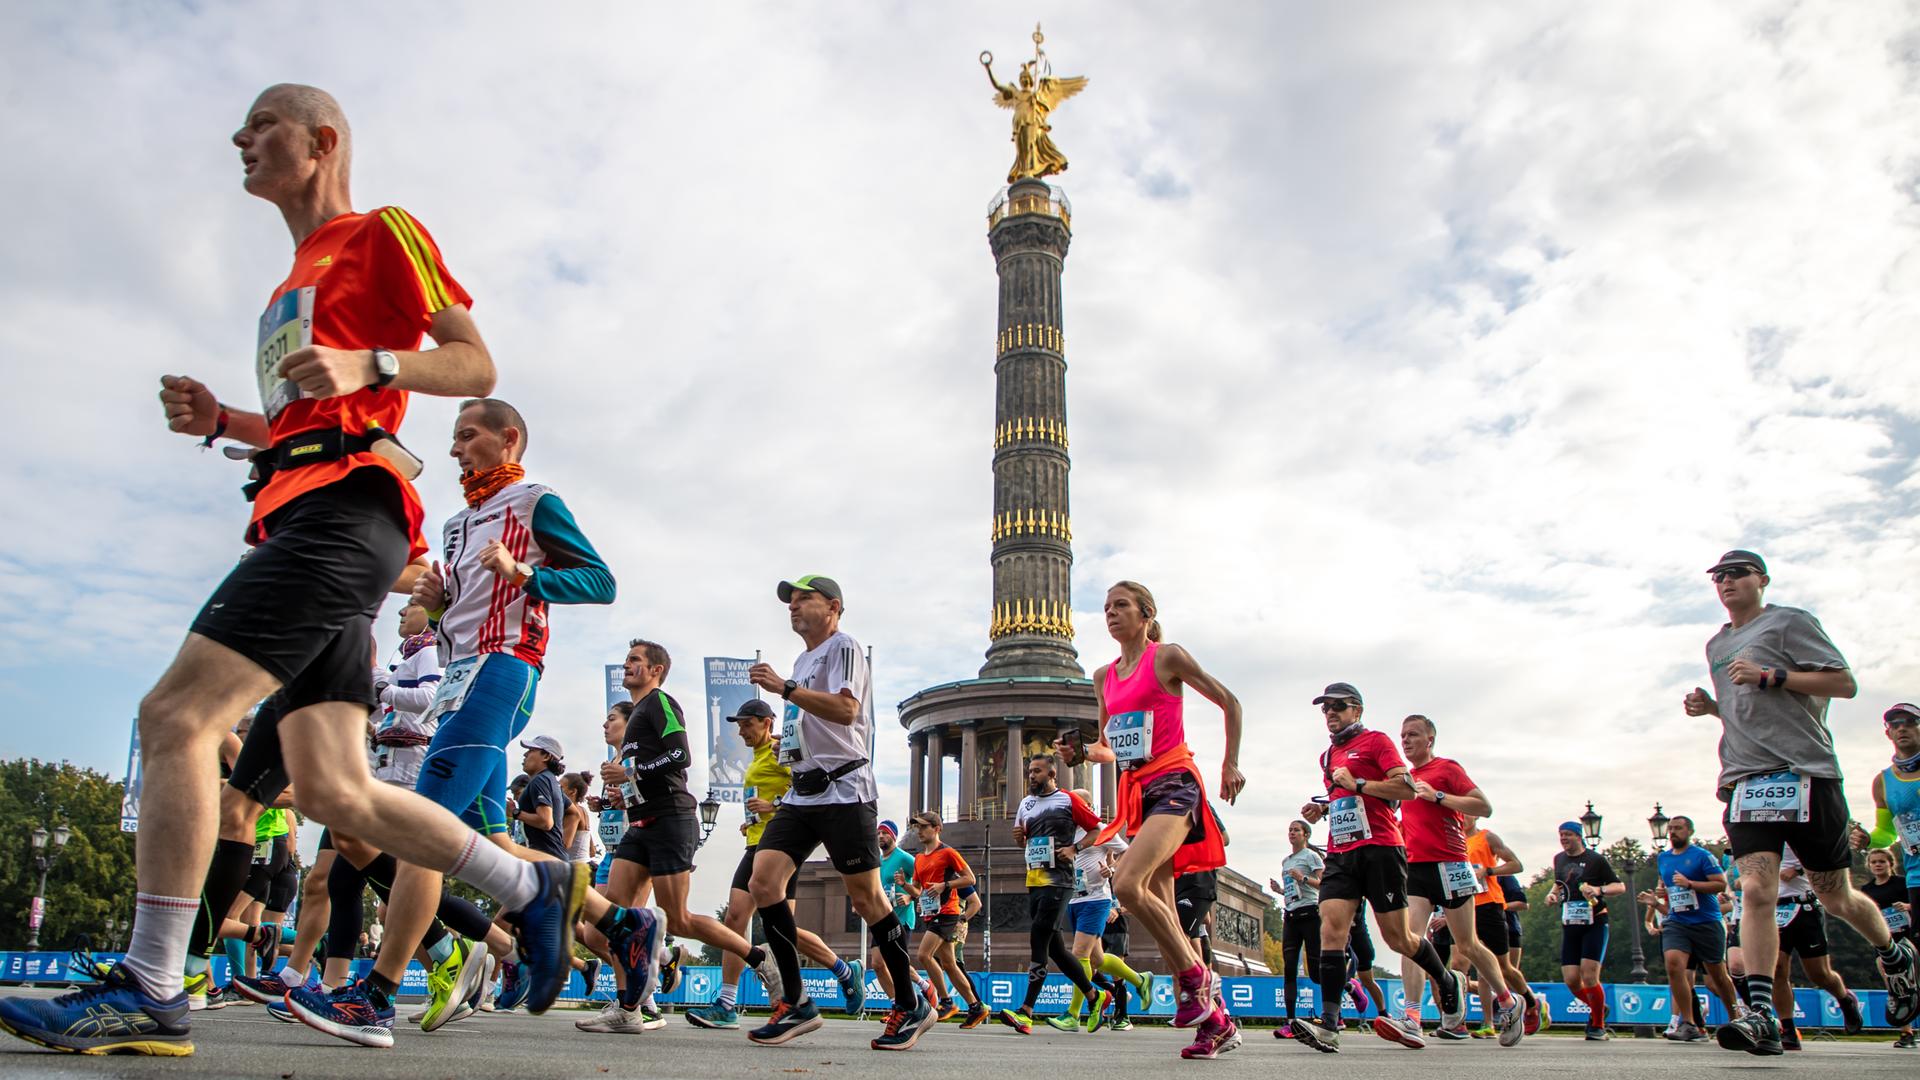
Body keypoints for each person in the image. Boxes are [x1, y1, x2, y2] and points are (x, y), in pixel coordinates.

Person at [0, 85, 610, 1056]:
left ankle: (155, 985)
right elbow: (307, 420)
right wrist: (226, 423)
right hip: (298, 516)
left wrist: (372, 362)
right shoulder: (288, 285)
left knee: (174, 717)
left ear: (322, 141)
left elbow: (472, 363)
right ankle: (527, 885)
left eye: (263, 125)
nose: (241, 140)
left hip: (344, 521)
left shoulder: (382, 234)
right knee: (332, 792)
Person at [288, 397, 615, 1047]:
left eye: (468, 435)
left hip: (506, 670)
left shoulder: (535, 500)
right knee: (492, 844)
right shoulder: (457, 526)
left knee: (419, 831)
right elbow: (451, 637)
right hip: (462, 683)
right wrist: (437, 613)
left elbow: (598, 580)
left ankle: (377, 996)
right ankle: (623, 930)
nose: (455, 449)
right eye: (453, 438)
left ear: (508, 439)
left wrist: (524, 572)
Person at [1683, 550, 1918, 1052]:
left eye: (1737, 573)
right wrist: (1713, 709)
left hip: (1806, 774)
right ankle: (1764, 1014)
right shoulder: (1717, 644)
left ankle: (1895, 955)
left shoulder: (1790, 622)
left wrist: (1773, 675)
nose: (1725, 582)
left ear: (1761, 580)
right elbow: (1748, 713)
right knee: (1755, 889)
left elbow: (1844, 684)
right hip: (1745, 779)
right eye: (1718, 576)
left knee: (1835, 896)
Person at [743, 576, 931, 1050]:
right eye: (789, 601)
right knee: (763, 883)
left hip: (845, 789)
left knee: (868, 901)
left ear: (833, 607)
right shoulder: (803, 659)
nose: (793, 606)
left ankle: (911, 1004)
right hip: (803, 793)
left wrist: (784, 688)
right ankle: (797, 1001)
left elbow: (846, 711)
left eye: (803, 598)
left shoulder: (843, 647)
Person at [1068, 581, 1245, 1060]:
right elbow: (1110, 745)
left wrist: (1230, 764)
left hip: (1175, 784)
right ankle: (1217, 1025)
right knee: (1167, 915)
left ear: (1146, 614)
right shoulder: (1103, 675)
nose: (1111, 613)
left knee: (1126, 884)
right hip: (1137, 795)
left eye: (1121, 605)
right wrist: (1084, 751)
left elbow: (1229, 700)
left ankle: (1197, 977)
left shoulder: (1166, 657)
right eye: (1105, 607)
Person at [575, 641, 782, 1035]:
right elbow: (646, 770)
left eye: (635, 660)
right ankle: (627, 1008)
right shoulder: (636, 717)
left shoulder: (660, 703)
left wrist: (632, 775)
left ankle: (757, 958)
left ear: (655, 669)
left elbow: (679, 757)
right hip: (640, 823)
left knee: (680, 919)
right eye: (626, 660)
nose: (627, 665)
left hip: (672, 817)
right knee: (616, 918)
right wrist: (624, 791)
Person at [1288, 683, 1461, 1054]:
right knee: (1331, 929)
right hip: (1341, 852)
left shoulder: (1378, 742)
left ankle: (1447, 981)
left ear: (1358, 710)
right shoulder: (1327, 757)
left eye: (1339, 706)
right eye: (1325, 709)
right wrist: (1323, 809)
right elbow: (1343, 798)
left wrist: (1360, 783)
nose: (1330, 713)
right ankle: (1330, 1026)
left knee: (1399, 938)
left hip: (1381, 848)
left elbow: (1407, 789)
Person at [684, 698, 866, 1030]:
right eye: (738, 725)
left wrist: (772, 806)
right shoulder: (756, 758)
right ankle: (729, 1002)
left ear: (767, 722)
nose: (741, 731)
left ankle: (839, 970)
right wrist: (753, 818)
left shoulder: (782, 753)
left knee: (762, 925)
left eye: (747, 724)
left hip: (782, 848)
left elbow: (809, 787)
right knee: (752, 922)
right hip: (757, 843)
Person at [1392, 714, 1523, 1046]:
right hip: (1418, 867)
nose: (1406, 740)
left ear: (1430, 739)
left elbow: (1484, 806)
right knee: (1411, 940)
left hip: (1452, 864)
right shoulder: (1405, 779)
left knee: (1468, 945)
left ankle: (1509, 1003)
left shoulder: (1447, 769)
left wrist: (1438, 796)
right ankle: (1412, 1017)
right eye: (1403, 735)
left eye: (1413, 735)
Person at [999, 755, 1105, 1033]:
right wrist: (1019, 839)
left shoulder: (1068, 800)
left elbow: (1096, 829)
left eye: (1037, 771)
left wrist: (1075, 850)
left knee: (1038, 934)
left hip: (1059, 880)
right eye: (1029, 771)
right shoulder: (1026, 803)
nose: (1031, 775)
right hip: (1034, 878)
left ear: (1052, 773)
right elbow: (1024, 837)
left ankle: (1026, 1011)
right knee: (1056, 948)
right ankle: (1094, 996)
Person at [1850, 701, 1920, 1048]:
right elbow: (1886, 833)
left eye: (1910, 722)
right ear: (1888, 732)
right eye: (1895, 723)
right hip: (1916, 876)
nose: (1902, 728)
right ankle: (1904, 993)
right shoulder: (1884, 781)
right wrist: (1867, 840)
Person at [1642, 814, 1738, 1043]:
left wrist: (1691, 884)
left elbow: (1719, 884)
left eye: (1678, 828)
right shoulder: (1663, 858)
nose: (1672, 832)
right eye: (1670, 828)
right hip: (1677, 921)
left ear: (1690, 832)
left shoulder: (1702, 856)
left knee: (1718, 976)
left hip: (1706, 921)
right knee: (1674, 965)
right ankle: (1689, 1023)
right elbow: (1667, 886)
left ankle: (1736, 1017)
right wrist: (1664, 894)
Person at [1061, 789, 1143, 1033]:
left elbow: (1127, 851)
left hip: (1097, 898)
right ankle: (1141, 980)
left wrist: (1113, 869)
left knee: (1079, 955)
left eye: (1075, 804)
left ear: (1087, 806)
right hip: (1075, 899)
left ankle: (1073, 1014)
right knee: (1097, 959)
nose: (1070, 809)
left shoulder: (1100, 828)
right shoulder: (1068, 831)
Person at [1770, 845, 1864, 1049]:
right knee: (1777, 969)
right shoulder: (1763, 833)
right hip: (1777, 909)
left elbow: (1829, 856)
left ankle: (1845, 998)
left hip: (1805, 907)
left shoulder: (1802, 830)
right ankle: (1788, 1029)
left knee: (1819, 974)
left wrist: (1798, 870)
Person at [899, 812, 987, 1026]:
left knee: (923, 954)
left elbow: (970, 878)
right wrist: (904, 885)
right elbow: (919, 891)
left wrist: (945, 886)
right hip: (931, 914)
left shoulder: (948, 853)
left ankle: (946, 1001)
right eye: (917, 828)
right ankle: (976, 1007)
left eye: (923, 827)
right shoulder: (919, 858)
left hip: (948, 912)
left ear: (937, 828)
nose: (919, 831)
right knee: (949, 963)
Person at [1463, 820, 1541, 1033]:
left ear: (1476, 815)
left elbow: (1516, 864)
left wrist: (1487, 871)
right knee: (1471, 964)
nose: (1462, 817)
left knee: (1503, 967)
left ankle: (1531, 1002)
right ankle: (1482, 1023)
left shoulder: (1486, 837)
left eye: (1466, 813)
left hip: (1489, 905)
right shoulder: (1454, 840)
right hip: (1463, 905)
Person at [1547, 822, 1623, 1040]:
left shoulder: (1596, 860)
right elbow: (1559, 883)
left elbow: (1619, 886)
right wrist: (1552, 894)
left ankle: (1598, 1025)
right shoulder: (1559, 859)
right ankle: (1598, 1006)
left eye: (1568, 834)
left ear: (1579, 836)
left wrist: (1599, 890)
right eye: (1561, 834)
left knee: (1589, 976)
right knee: (1571, 979)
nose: (1563, 838)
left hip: (1595, 922)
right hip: (1570, 923)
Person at [1272, 819, 1324, 1037]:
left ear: (1306, 835)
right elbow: (1294, 890)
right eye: (1290, 830)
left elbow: (1323, 883)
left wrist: (1302, 877)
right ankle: (1291, 1021)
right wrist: (1281, 891)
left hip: (1310, 914)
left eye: (1296, 830)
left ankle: (1346, 988)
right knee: (1289, 968)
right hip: (1291, 915)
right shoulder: (1286, 861)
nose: (1292, 833)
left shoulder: (1312, 856)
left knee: (1315, 972)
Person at [1858, 849, 1914, 1048]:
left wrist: (1908, 906)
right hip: (1884, 942)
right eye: (1873, 862)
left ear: (1891, 863)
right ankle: (1906, 1033)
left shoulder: (1903, 883)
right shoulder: (1867, 890)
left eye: (1882, 861)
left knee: (1915, 981)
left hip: (1908, 937)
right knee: (1895, 986)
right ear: (1869, 865)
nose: (1878, 865)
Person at [871, 820, 917, 1005]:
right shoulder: (877, 861)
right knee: (877, 964)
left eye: (885, 833)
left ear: (894, 836)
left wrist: (909, 897)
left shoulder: (905, 858)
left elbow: (923, 881)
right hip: (881, 917)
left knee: (897, 964)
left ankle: (919, 989)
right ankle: (895, 1004)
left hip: (902, 918)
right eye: (878, 833)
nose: (881, 836)